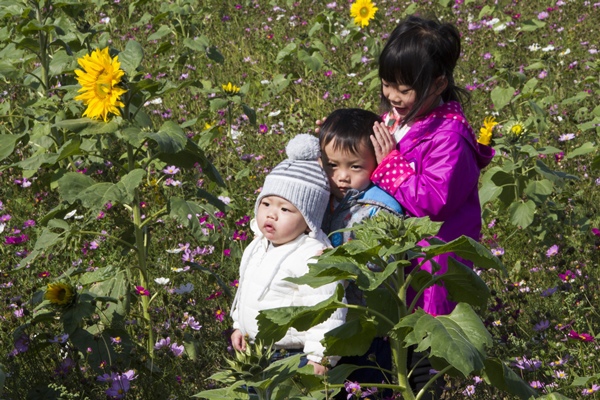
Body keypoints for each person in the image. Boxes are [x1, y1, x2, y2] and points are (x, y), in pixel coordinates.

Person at [369, 15, 495, 398]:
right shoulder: (401, 117)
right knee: (390, 340)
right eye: (387, 83)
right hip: (400, 255)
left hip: (431, 261)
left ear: (438, 84)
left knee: (424, 348)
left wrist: (388, 165)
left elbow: (434, 200)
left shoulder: (450, 135)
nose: (392, 95)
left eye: (403, 88)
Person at [230, 133, 347, 376]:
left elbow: (328, 312)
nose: (271, 214)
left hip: (291, 355)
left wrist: (320, 358)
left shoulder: (313, 256)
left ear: (308, 220)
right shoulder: (258, 245)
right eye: (266, 204)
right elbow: (246, 293)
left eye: (285, 209)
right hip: (255, 349)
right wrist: (239, 326)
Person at [318, 108, 403, 398]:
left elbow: (381, 269)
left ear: (377, 163)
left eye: (355, 167)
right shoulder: (321, 197)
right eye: (332, 165)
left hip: (367, 326)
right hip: (331, 325)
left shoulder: (379, 210)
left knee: (369, 388)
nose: (341, 177)